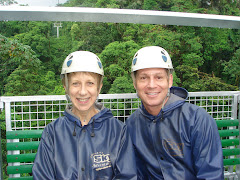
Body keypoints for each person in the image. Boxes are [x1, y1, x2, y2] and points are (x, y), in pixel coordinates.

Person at [32, 51, 137, 180]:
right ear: (66, 86)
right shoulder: (53, 132)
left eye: (90, 83)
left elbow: (126, 176)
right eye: (75, 83)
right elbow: (43, 176)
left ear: (99, 87)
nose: (82, 92)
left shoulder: (118, 131)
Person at [126, 46, 224, 180]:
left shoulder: (197, 120)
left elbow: (211, 175)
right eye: (143, 78)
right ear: (135, 83)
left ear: (170, 80)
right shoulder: (132, 125)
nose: (152, 85)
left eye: (159, 77)